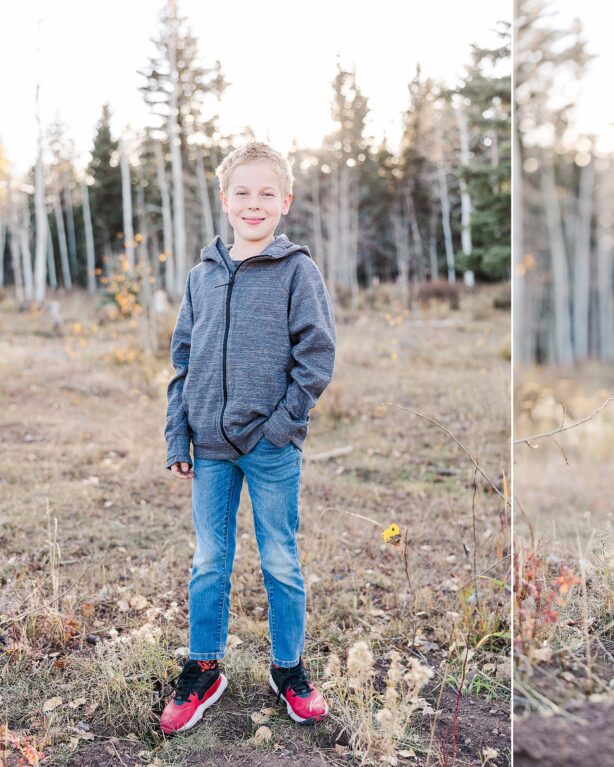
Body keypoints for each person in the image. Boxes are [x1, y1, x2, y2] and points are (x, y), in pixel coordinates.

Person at [160, 141, 336, 734]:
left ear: (284, 202)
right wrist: (177, 434)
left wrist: (282, 427)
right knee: (209, 561)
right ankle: (204, 668)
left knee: (281, 562)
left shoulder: (297, 271)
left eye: (266, 194)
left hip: (271, 450)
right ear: (224, 199)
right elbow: (183, 359)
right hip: (208, 446)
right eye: (243, 192)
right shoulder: (201, 276)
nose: (253, 203)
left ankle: (289, 670)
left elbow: (316, 357)